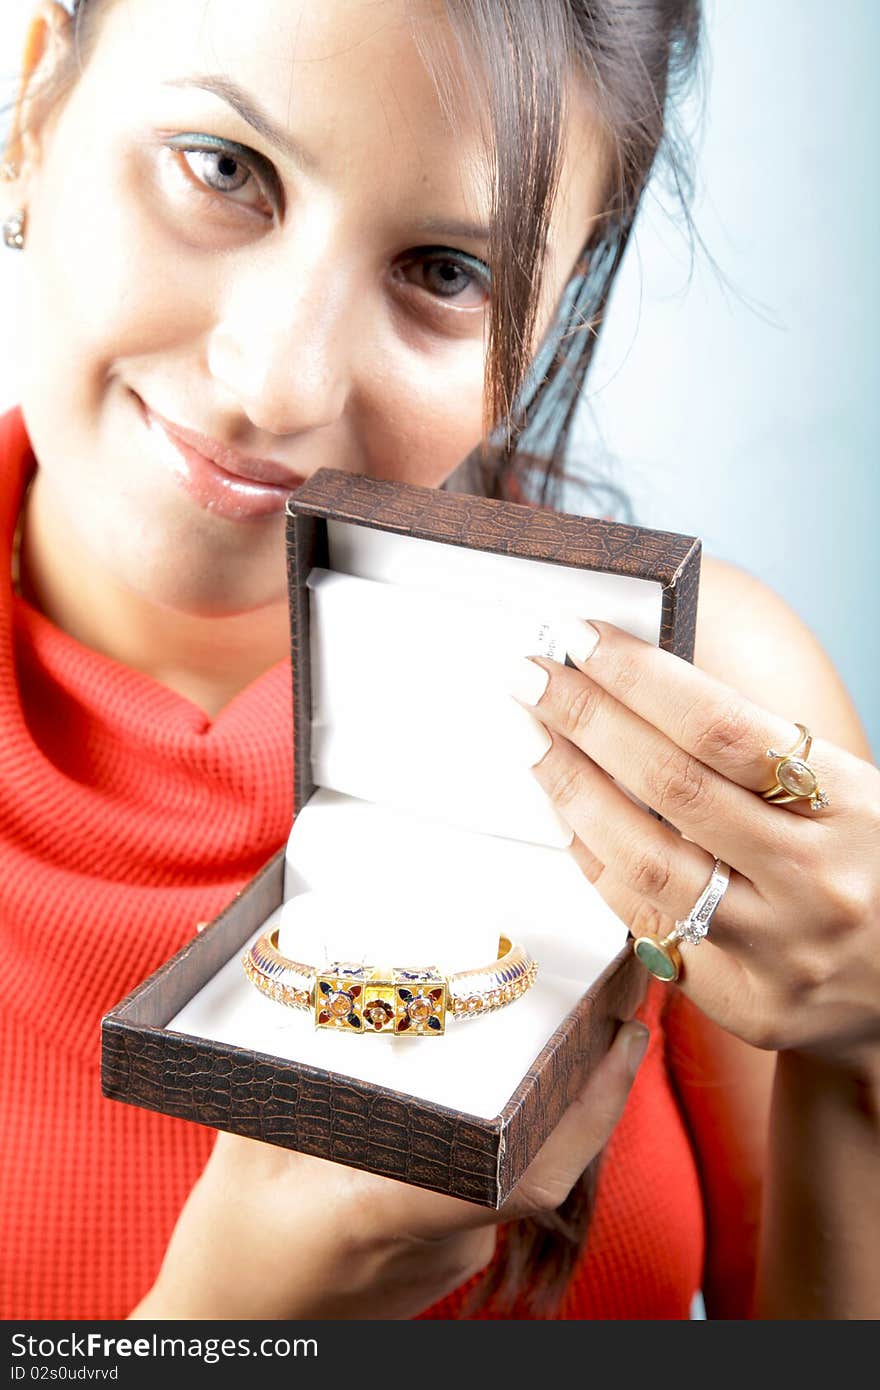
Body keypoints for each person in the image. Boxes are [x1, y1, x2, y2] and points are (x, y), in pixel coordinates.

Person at [0, 0, 877, 1323]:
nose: (276, 383)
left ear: (554, 301)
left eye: (447, 270)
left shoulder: (707, 714)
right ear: (36, 100)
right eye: (222, 166)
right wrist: (231, 1325)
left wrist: (860, 1057)